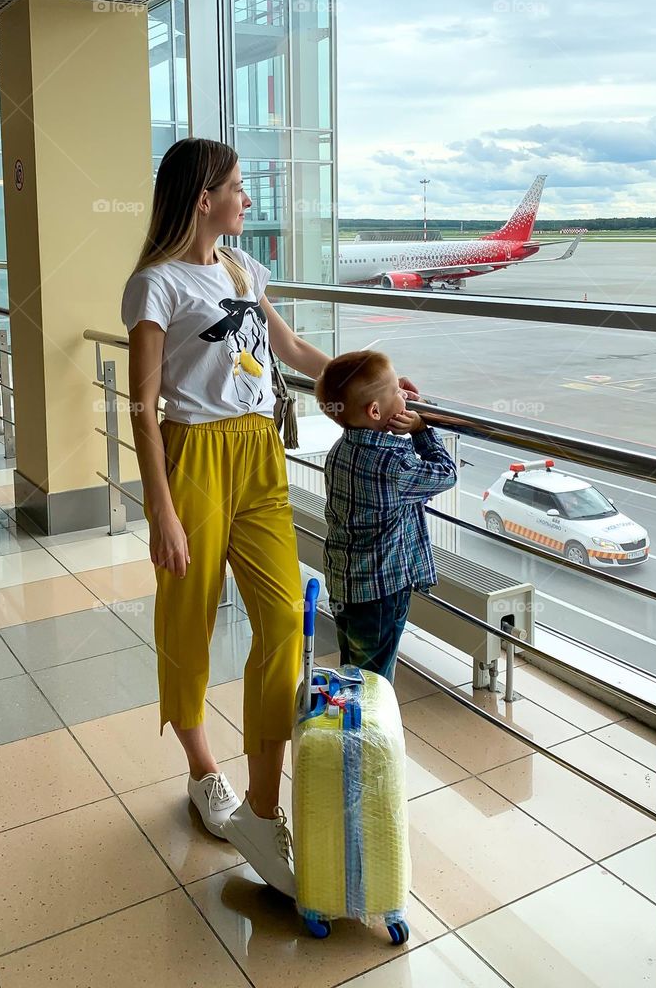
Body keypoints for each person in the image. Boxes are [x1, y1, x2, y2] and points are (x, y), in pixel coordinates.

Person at [122, 139, 417, 895]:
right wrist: (161, 507)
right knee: (187, 618)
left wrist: (372, 386)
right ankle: (201, 769)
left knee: (286, 619)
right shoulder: (155, 285)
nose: (246, 201)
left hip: (258, 455)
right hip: (192, 455)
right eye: (237, 188)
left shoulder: (243, 270)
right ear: (201, 199)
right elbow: (143, 407)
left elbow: (289, 350)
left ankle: (259, 808)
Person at [314, 349, 458, 682]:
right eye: (397, 391)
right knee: (373, 685)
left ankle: (351, 724)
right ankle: (364, 733)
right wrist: (421, 429)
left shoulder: (341, 450)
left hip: (346, 585)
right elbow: (447, 473)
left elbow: (371, 404)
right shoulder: (394, 464)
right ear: (375, 410)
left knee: (354, 670)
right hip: (381, 594)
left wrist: (392, 392)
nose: (404, 396)